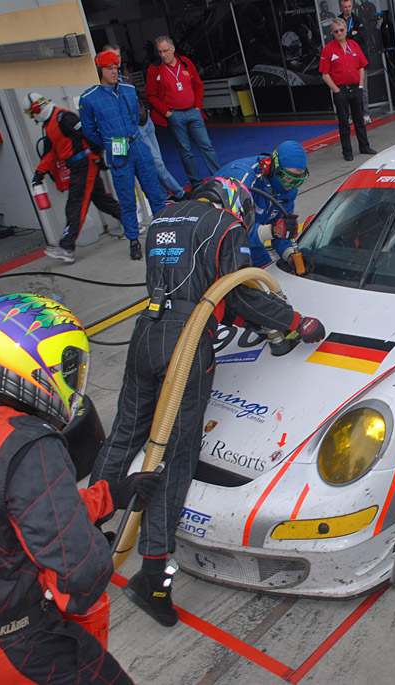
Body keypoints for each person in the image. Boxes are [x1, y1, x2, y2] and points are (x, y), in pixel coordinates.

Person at [91, 178, 325, 627]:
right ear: (234, 204)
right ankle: (154, 576)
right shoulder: (224, 224)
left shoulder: (162, 218)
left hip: (147, 332)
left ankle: (89, 533)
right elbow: (237, 291)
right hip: (185, 342)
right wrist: (297, 322)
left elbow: (201, 292)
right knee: (176, 456)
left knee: (125, 433)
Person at [0, 293, 162, 684]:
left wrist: (111, 496)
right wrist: (93, 551)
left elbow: (5, 517)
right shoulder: (29, 444)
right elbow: (80, 571)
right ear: (40, 368)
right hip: (9, 650)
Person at [79, 50, 168, 261]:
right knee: (127, 200)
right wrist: (109, 144)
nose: (113, 72)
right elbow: (89, 130)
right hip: (118, 153)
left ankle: (166, 233)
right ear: (100, 70)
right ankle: (133, 239)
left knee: (155, 193)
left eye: (115, 68)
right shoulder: (89, 98)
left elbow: (137, 116)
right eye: (109, 68)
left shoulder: (128, 89)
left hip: (137, 145)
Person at [24, 92, 123, 264]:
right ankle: (131, 222)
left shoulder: (64, 118)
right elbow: (52, 152)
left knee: (75, 204)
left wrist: (98, 155)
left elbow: (89, 134)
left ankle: (67, 247)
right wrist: (38, 174)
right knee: (102, 201)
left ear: (37, 109)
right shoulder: (49, 125)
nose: (33, 117)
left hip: (84, 164)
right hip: (78, 165)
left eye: (32, 113)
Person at [104, 43, 186, 203]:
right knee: (155, 164)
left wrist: (145, 110)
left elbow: (138, 94)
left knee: (157, 162)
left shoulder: (126, 75)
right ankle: (180, 193)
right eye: (112, 56)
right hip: (132, 131)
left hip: (145, 122)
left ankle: (165, 195)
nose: (116, 61)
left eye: (118, 56)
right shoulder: (105, 86)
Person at [215, 140, 309, 269]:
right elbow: (231, 234)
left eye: (297, 181)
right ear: (271, 167)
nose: (290, 185)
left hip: (251, 240)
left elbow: (282, 232)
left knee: (268, 278)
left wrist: (291, 256)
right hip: (215, 244)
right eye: (287, 178)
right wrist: (273, 230)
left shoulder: (289, 189)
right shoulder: (241, 179)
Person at [146, 36, 220, 188]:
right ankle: (197, 183)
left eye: (165, 50)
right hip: (175, 115)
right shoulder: (154, 68)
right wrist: (167, 113)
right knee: (185, 151)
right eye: (160, 52)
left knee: (206, 146)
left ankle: (219, 177)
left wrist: (198, 107)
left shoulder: (185, 62)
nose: (163, 55)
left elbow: (198, 85)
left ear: (173, 48)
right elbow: (150, 95)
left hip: (193, 111)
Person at [321, 17, 377, 161]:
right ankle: (347, 151)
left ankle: (364, 146)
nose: (339, 33)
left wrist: (360, 86)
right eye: (336, 31)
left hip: (355, 88)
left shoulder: (354, 45)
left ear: (346, 30)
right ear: (332, 33)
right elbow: (325, 75)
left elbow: (361, 67)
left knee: (360, 120)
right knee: (344, 123)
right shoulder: (328, 50)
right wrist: (336, 91)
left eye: (341, 30)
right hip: (340, 90)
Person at [339, 0, 373, 124]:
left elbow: (362, 37)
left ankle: (365, 113)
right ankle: (349, 116)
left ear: (352, 7)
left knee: (362, 88)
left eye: (349, 7)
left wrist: (348, 38)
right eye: (345, 7)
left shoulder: (358, 20)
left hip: (358, 61)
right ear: (341, 7)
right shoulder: (338, 21)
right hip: (344, 61)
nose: (347, 9)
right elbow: (337, 39)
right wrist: (350, 36)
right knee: (346, 89)